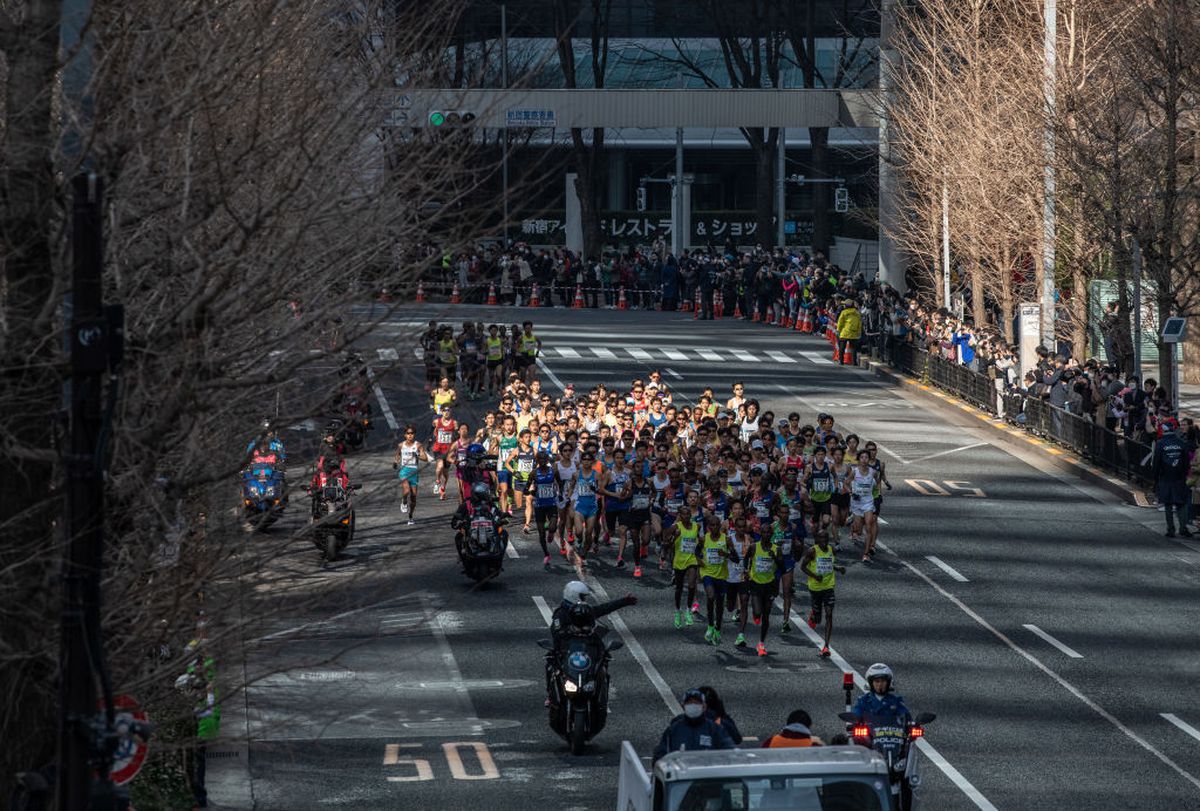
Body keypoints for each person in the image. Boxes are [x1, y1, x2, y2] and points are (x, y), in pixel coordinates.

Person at [546, 581, 637, 705]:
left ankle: (601, 690)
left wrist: (623, 601)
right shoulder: (561, 614)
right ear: (574, 596)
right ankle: (551, 695)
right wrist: (570, 632)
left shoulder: (584, 611)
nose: (585, 600)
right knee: (550, 664)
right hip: (567, 651)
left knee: (603, 663)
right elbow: (556, 633)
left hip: (585, 649)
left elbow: (603, 609)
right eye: (583, 597)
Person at [652, 689, 736, 763]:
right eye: (689, 702)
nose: (693, 705)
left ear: (704, 706)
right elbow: (660, 756)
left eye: (696, 702)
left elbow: (730, 752)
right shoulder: (673, 729)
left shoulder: (715, 729)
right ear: (683, 706)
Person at [801, 530, 844, 657]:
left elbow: (829, 564)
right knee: (818, 619)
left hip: (828, 586)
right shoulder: (812, 551)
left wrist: (838, 568)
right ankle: (814, 614)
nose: (824, 541)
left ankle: (826, 646)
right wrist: (815, 576)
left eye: (826, 538)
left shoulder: (831, 550)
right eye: (821, 538)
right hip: (815, 587)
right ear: (817, 540)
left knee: (829, 614)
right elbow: (803, 567)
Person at [1154, 418, 1193, 538]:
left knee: (1168, 504)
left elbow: (1156, 463)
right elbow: (1186, 461)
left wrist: (1155, 478)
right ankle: (1183, 527)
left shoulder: (1160, 444)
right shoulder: (1181, 442)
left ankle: (1171, 529)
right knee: (1181, 503)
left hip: (1166, 477)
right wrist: (1185, 473)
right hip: (1180, 477)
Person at [851, 663, 912, 728]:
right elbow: (856, 715)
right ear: (870, 683)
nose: (880, 684)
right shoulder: (863, 701)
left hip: (892, 736)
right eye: (877, 681)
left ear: (889, 682)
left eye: (883, 681)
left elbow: (906, 716)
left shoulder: (896, 701)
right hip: (869, 737)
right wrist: (854, 722)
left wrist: (913, 725)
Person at [393, 425, 430, 525]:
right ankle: (404, 501)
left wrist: (417, 455)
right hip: (404, 471)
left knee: (413, 497)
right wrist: (396, 462)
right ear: (405, 435)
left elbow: (425, 458)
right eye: (408, 433)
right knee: (406, 490)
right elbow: (397, 454)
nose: (410, 435)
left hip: (414, 471)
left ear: (414, 435)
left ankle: (410, 516)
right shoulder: (401, 445)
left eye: (412, 433)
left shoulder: (418, 445)